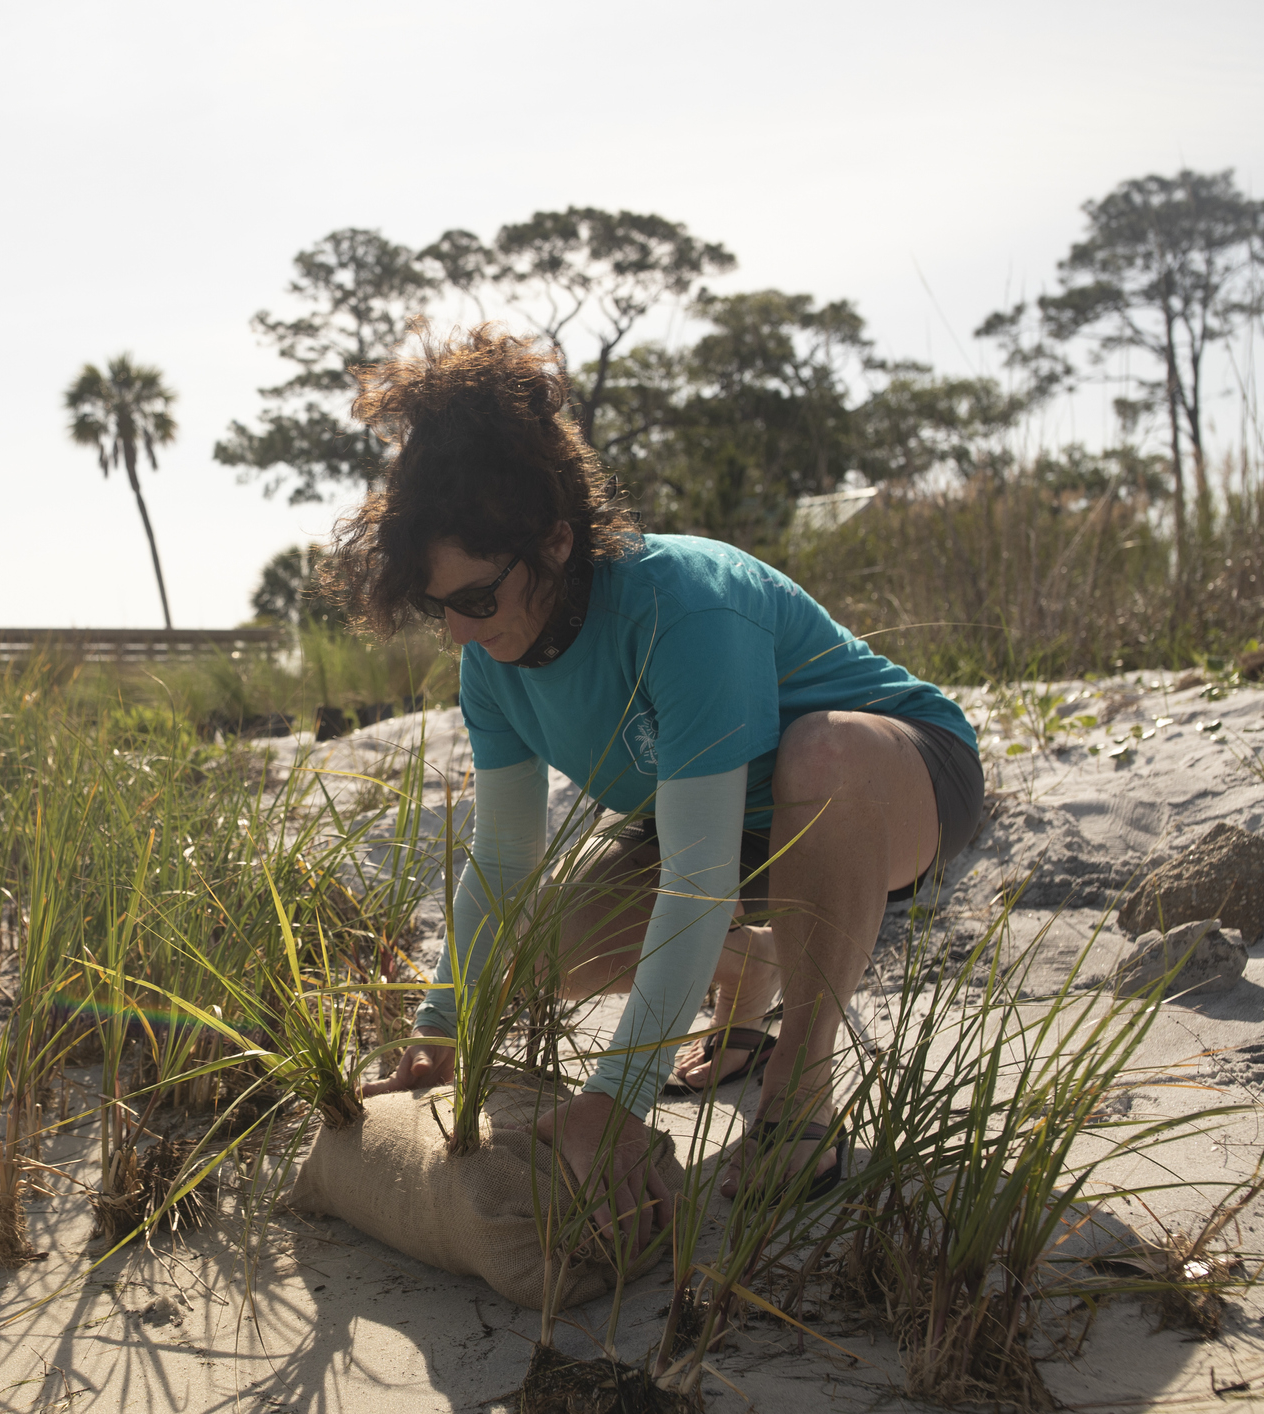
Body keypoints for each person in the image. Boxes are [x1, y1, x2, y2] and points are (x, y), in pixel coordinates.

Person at [339, 327, 982, 1248]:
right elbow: (503, 856)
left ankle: (797, 1088)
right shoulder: (491, 662)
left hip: (890, 785)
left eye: (476, 598)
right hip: (726, 836)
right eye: (436, 605)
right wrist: (442, 1028)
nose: (456, 633)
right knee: (531, 959)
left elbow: (693, 879)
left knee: (820, 754)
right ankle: (746, 969)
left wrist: (618, 1097)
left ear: (555, 544)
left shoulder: (683, 606)